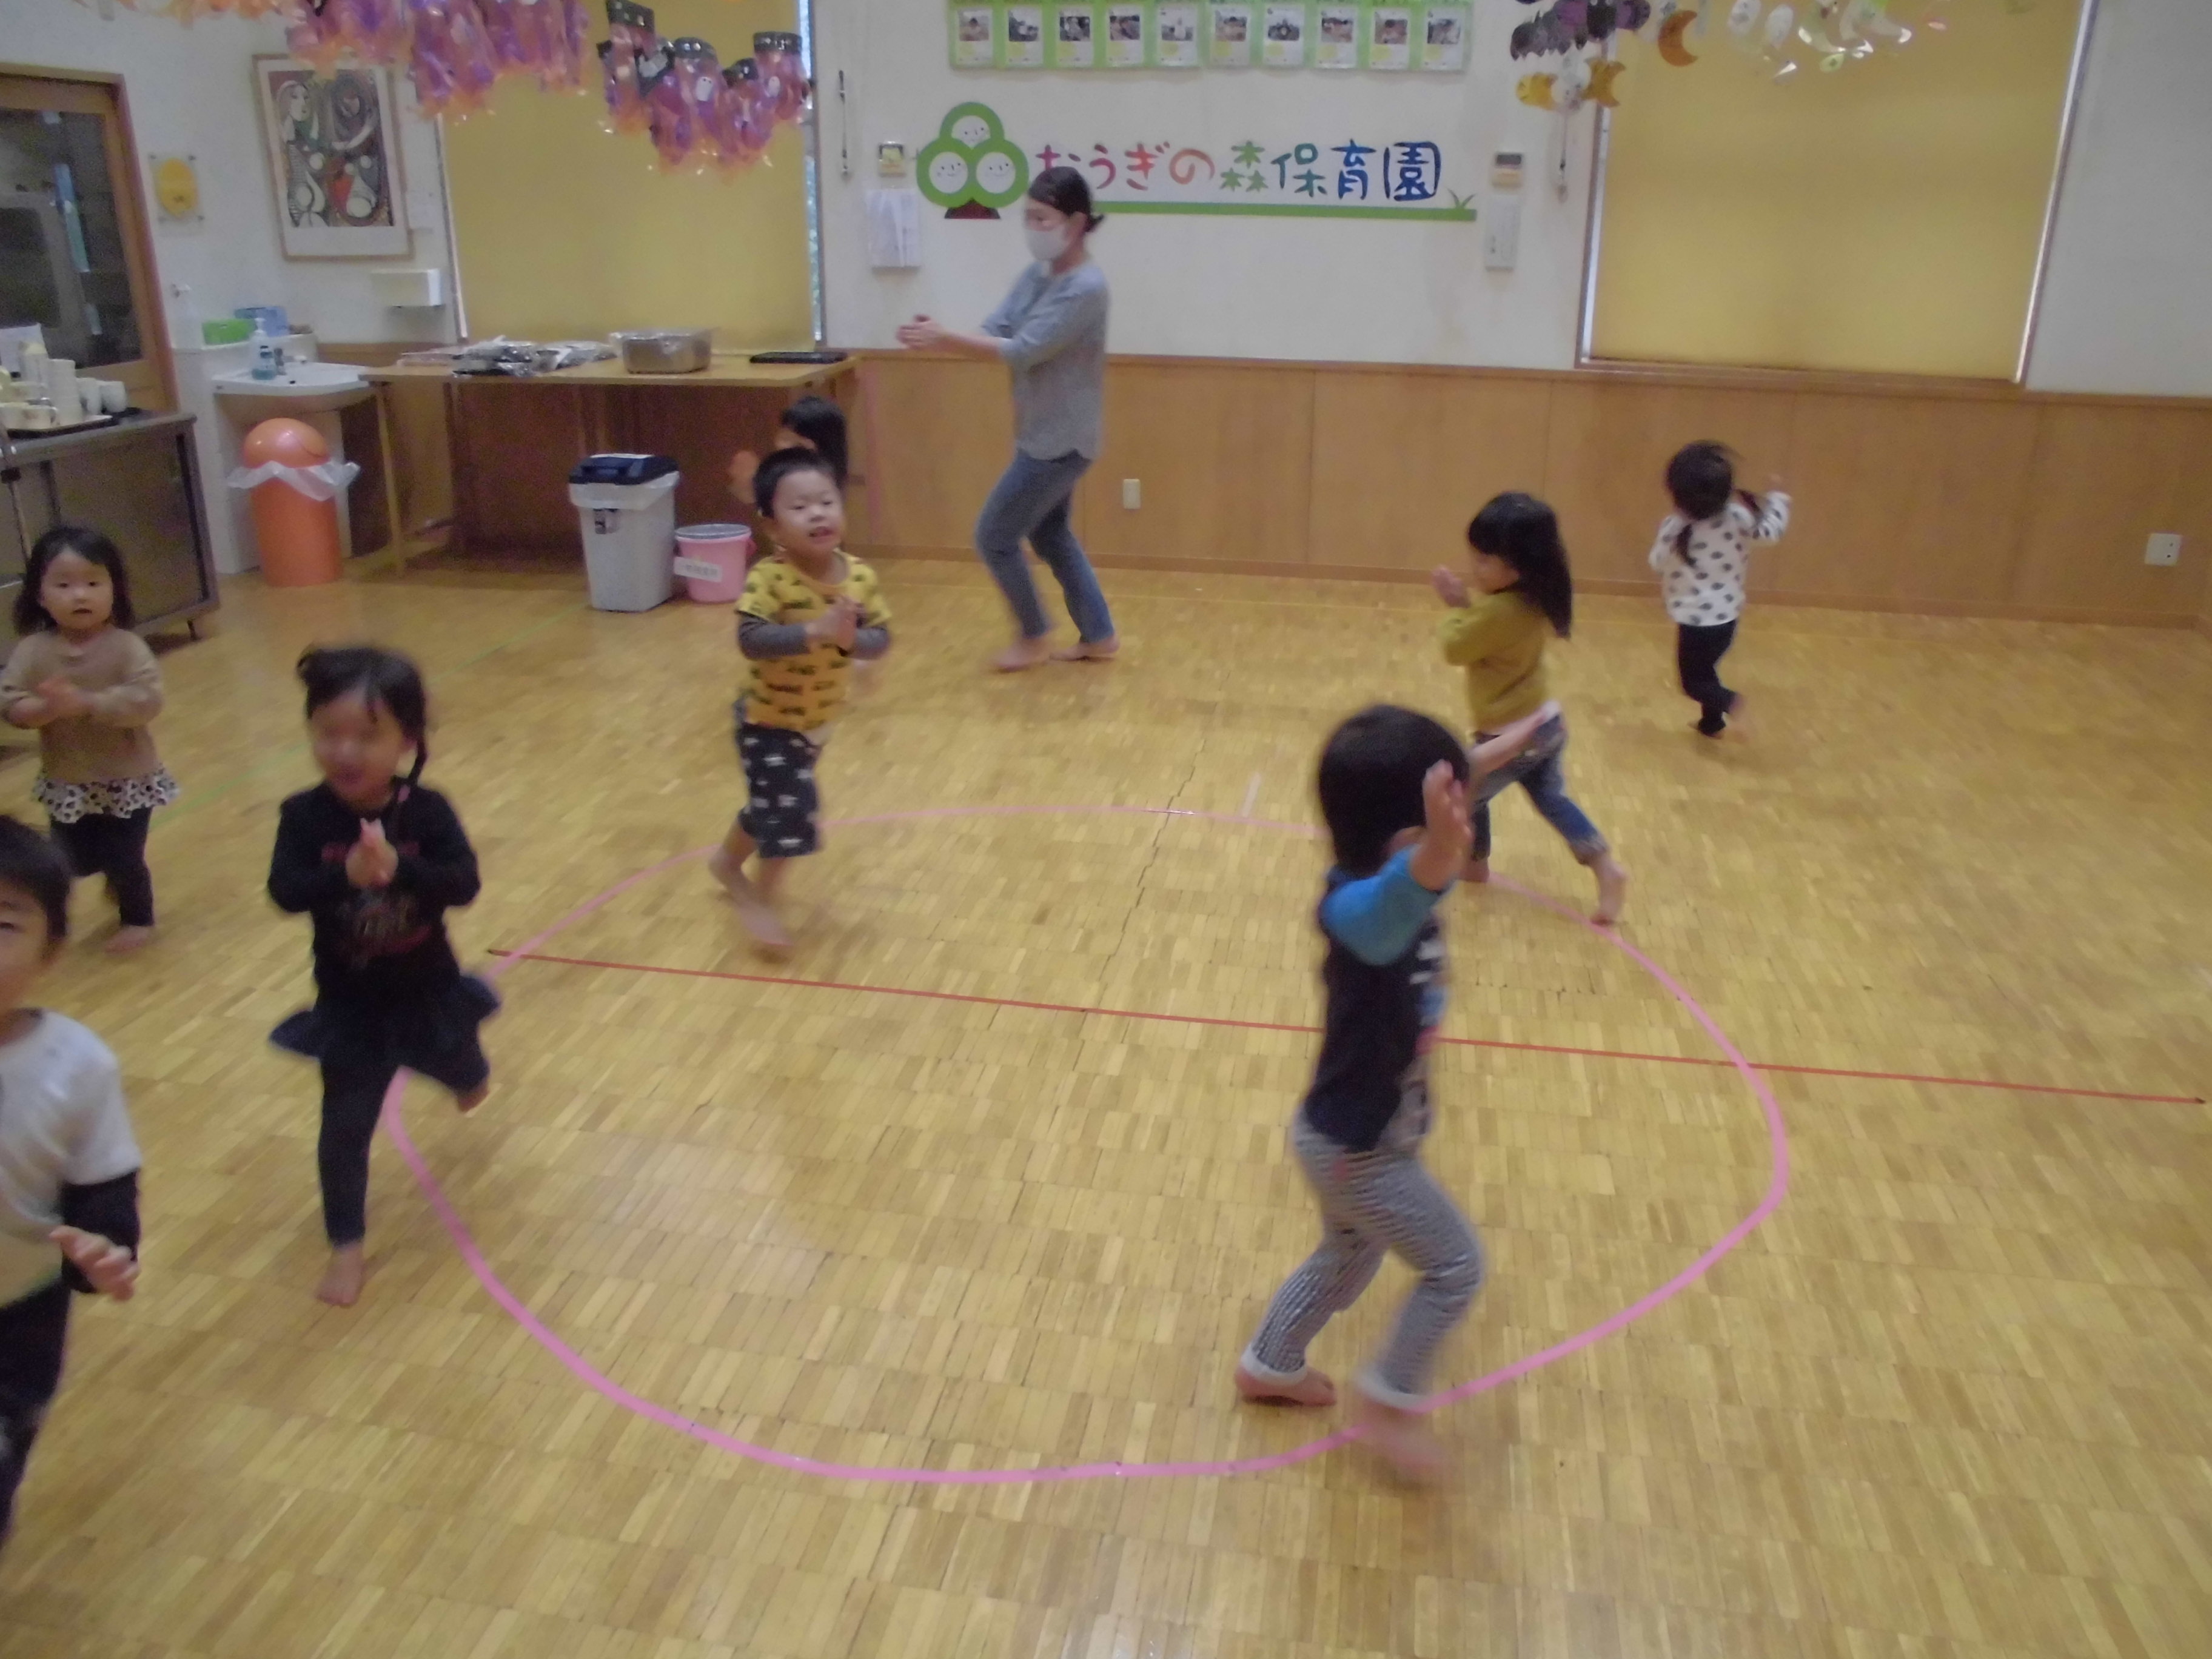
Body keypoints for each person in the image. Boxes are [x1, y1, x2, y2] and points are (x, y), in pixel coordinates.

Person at [1234, 704, 1552, 1482]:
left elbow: (1444, 807)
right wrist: (1441, 854)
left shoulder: (1405, 865)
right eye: (1444, 825)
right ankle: (1391, 1398)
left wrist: (1503, 751)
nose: (1462, 830)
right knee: (1455, 1269)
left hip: (1344, 1138)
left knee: (1349, 1257)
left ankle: (1269, 1364)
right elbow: (1388, 916)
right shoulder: (1355, 910)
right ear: (1409, 839)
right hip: (1362, 1152)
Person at [267, 647, 495, 1309]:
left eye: (367, 736)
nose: (345, 751)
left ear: (407, 742)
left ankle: (469, 1070)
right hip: (350, 1007)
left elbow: (464, 884)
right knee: (343, 1126)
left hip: (428, 991)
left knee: (458, 1063)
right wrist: (344, 876)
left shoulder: (426, 813)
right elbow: (285, 891)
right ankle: (346, 1243)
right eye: (328, 733)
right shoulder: (304, 817)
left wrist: (401, 868)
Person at [895, 166, 1118, 672]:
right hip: (1044, 434)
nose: (1032, 228)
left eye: (1042, 218)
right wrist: (941, 332)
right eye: (1029, 217)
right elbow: (999, 326)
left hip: (1060, 441)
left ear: (1077, 222)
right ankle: (1099, 635)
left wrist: (947, 340)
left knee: (994, 535)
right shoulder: (1038, 276)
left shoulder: (1085, 288)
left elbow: (1024, 350)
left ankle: (1034, 633)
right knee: (1049, 533)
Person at [0, 817, 141, 1546]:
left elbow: (104, 1192)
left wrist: (106, 1250)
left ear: (50, 949)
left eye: (1, 922)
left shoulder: (76, 1067)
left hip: (18, 1317)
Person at [709, 447, 892, 954]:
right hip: (768, 720)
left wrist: (853, 641)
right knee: (792, 812)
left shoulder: (859, 577)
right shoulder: (770, 579)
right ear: (772, 526)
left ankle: (725, 863)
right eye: (800, 506)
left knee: (771, 803)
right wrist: (816, 630)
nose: (818, 513)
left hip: (817, 721)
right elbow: (751, 639)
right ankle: (761, 904)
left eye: (826, 501)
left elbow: (881, 639)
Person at [1433, 492, 1629, 925]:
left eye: (1484, 561)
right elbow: (1490, 637)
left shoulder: (1501, 611)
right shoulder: (1533, 600)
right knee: (1551, 799)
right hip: (1545, 723)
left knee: (1465, 793)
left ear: (1516, 568)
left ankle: (1468, 863)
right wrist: (1468, 607)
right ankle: (1604, 867)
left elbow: (1456, 646)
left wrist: (1453, 608)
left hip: (1511, 736)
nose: (1474, 567)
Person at [0, 525, 180, 954]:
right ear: (40, 595)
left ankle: (138, 917)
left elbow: (147, 700)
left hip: (127, 778)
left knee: (125, 855)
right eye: (64, 585)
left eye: (93, 583)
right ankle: (77, 902)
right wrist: (42, 710)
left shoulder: (127, 648)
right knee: (70, 861)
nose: (80, 595)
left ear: (114, 590)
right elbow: (10, 699)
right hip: (68, 777)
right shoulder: (33, 651)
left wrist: (88, 703)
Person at [1649, 440, 1791, 739]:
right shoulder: (1738, 517)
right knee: (1707, 671)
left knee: (1693, 683)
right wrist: (1777, 498)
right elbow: (1770, 534)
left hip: (1695, 623)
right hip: (1726, 619)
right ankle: (1712, 723)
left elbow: (1657, 562)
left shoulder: (1676, 527)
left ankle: (1732, 703)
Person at [726, 394, 850, 509]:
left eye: (798, 444)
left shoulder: (816, 481)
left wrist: (752, 480)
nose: (783, 447)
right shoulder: (785, 469)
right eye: (783, 438)